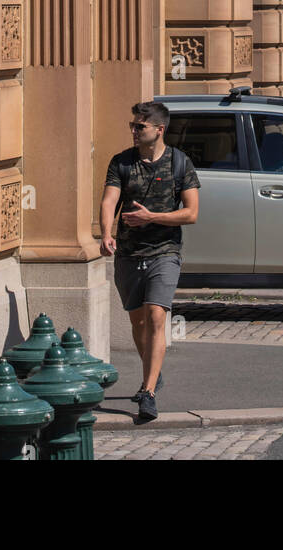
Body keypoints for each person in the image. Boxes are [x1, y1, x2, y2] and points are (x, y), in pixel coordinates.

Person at [100, 101, 200, 422]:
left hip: (165, 252)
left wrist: (151, 217)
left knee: (157, 316)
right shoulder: (121, 163)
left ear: (159, 130)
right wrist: (105, 233)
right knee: (138, 322)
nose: (133, 130)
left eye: (139, 126)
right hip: (129, 254)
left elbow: (191, 213)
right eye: (133, 125)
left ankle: (148, 391)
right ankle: (154, 372)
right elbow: (109, 200)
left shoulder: (180, 163)